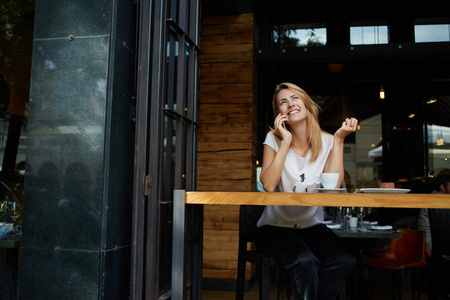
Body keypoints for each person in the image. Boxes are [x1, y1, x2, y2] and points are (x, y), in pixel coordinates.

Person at [256, 82, 358, 300]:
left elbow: (333, 189)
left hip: (311, 226)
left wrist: (339, 140)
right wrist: (285, 142)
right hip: (274, 227)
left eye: (295, 98)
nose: (290, 104)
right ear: (279, 114)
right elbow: (268, 185)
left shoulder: (329, 141)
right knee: (304, 260)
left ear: (307, 104)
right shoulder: (273, 139)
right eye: (283, 102)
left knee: (345, 260)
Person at [417, 173, 450, 256]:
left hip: (434, 245)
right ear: (442, 188)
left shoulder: (434, 198)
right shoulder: (438, 202)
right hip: (436, 248)